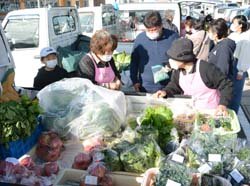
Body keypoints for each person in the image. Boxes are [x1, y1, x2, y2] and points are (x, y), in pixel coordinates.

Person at [153, 38, 233, 115]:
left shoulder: (205, 68)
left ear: (183, 59)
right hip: (191, 110)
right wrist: (165, 92)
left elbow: (226, 84)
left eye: (173, 59)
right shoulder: (178, 70)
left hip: (210, 111)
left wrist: (223, 104)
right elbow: (174, 85)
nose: (170, 61)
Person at [130, 11, 179, 93]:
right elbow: (134, 61)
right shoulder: (140, 39)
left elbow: (180, 59)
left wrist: (169, 66)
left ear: (160, 26)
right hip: (145, 86)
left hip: (168, 87)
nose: (151, 33)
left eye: (154, 30)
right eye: (149, 30)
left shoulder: (173, 37)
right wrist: (134, 80)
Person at [228, 15, 250, 113]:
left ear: (240, 25)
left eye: (234, 23)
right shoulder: (234, 35)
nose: (232, 25)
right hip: (232, 63)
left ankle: (234, 113)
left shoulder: (246, 38)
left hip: (238, 66)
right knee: (230, 91)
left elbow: (245, 56)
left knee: (236, 93)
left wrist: (241, 71)